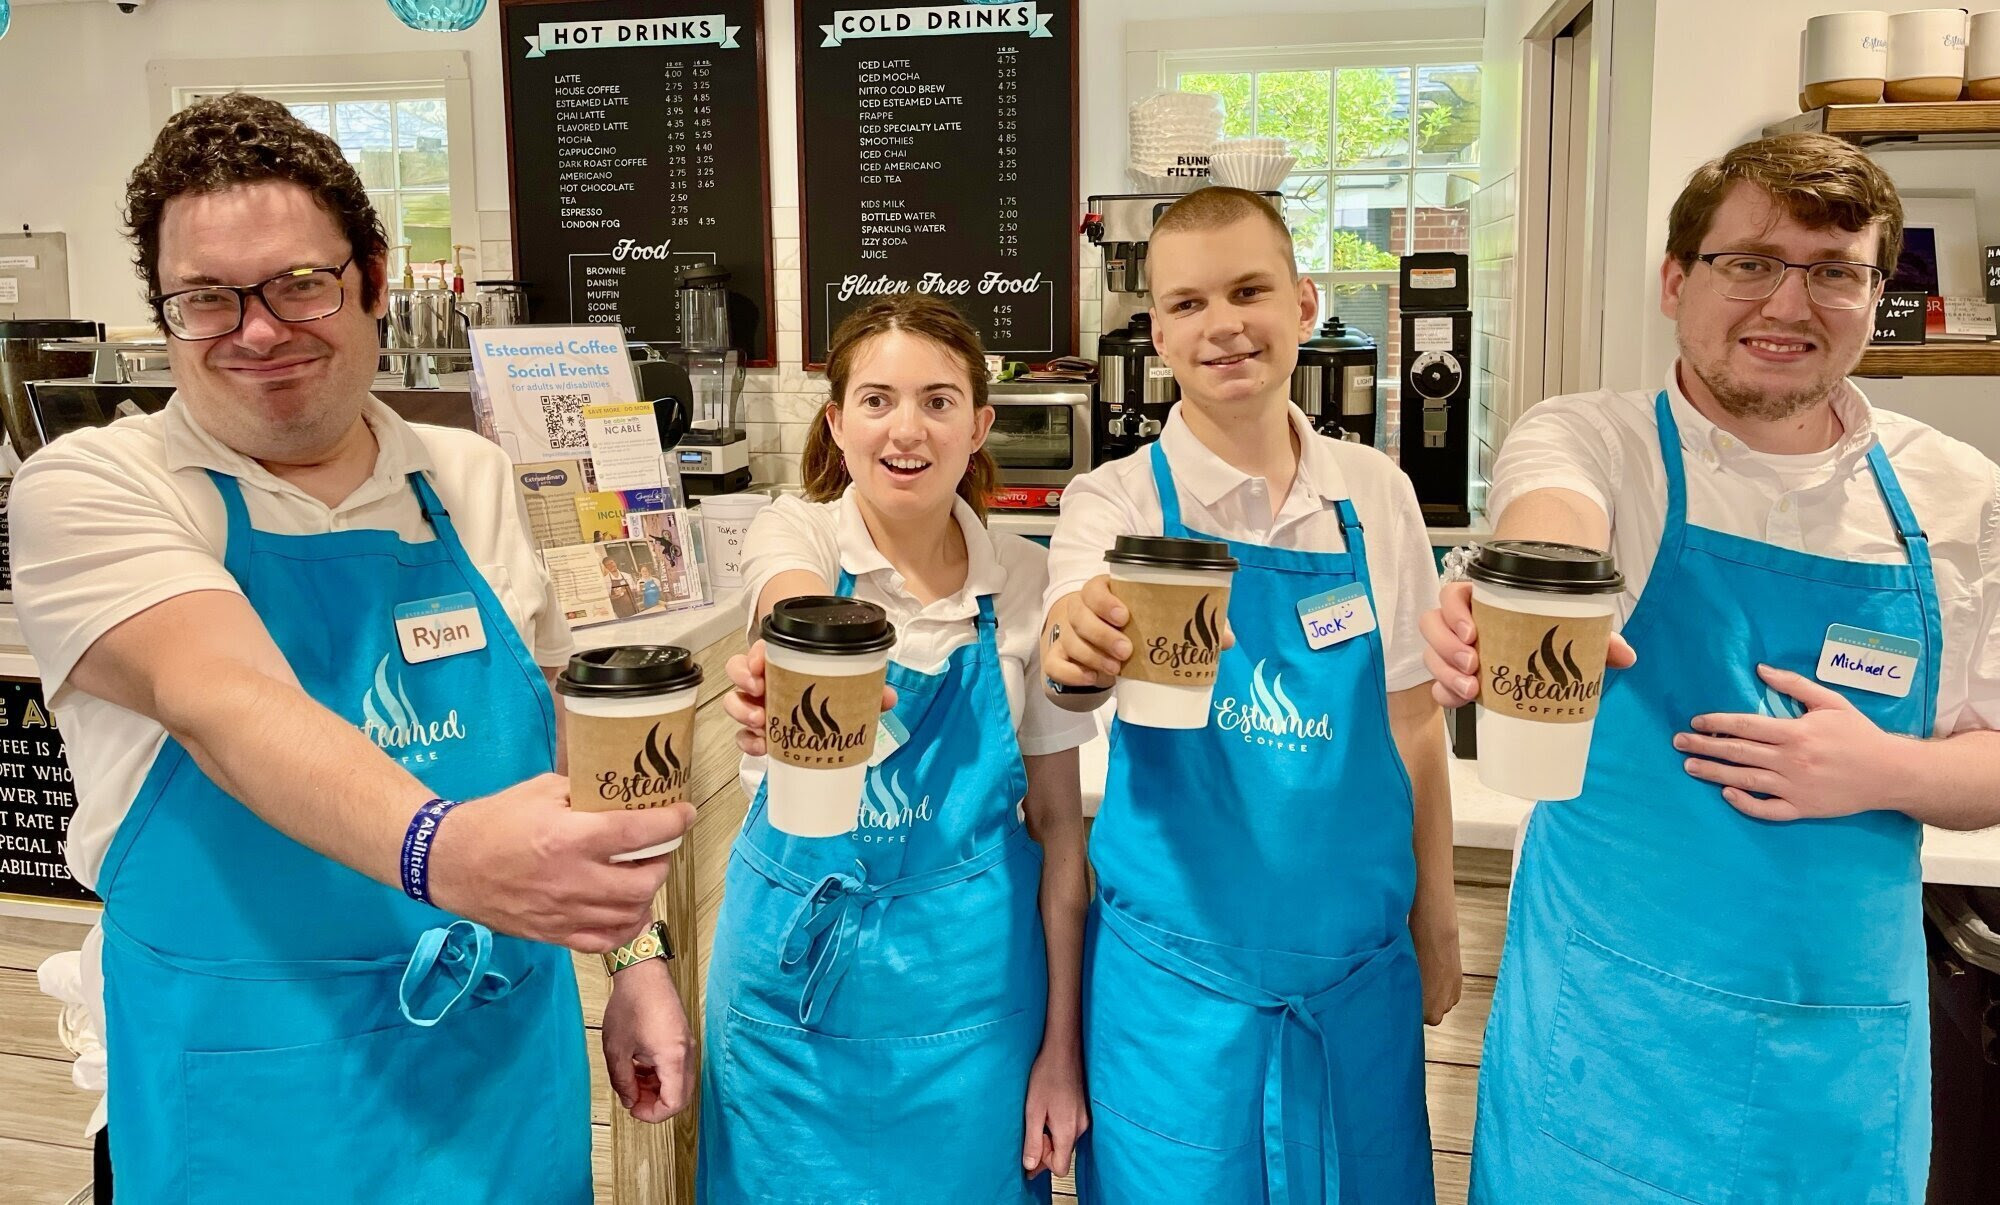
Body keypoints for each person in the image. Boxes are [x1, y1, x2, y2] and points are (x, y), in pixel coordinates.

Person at [10, 94, 695, 1202]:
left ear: (371, 277)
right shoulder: (96, 486)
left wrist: (632, 958)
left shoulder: (471, 477)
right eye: (205, 299)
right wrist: (449, 854)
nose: (258, 330)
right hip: (252, 1097)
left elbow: (573, 757)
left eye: (297, 283)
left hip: (497, 1076)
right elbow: (223, 698)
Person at [1420, 133, 2000, 1202]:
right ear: (1675, 282)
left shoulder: (1958, 497)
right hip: (1605, 1048)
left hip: (1834, 1063)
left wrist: (1880, 772)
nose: (1788, 303)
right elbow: (1552, 523)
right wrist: (1520, 595)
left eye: (1833, 271)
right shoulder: (1600, 442)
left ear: (1872, 292)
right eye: (1749, 263)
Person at [1042, 186, 1460, 1203]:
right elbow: (1066, 636)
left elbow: (1412, 721)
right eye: (1187, 303)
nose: (1222, 324)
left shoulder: (1376, 493)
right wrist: (1082, 636)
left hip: (1355, 982)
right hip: (1171, 997)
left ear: (1304, 303)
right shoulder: (1115, 501)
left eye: (1248, 290)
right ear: (1155, 334)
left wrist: (1436, 915)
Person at [699, 293, 1094, 1203]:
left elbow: (1062, 831)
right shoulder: (793, 531)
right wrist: (787, 668)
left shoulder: (1028, 582)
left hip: (974, 1016)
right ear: (837, 423)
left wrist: (1060, 1048)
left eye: (938, 400)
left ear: (980, 424)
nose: (905, 428)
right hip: (788, 1014)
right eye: (876, 400)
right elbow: (790, 609)